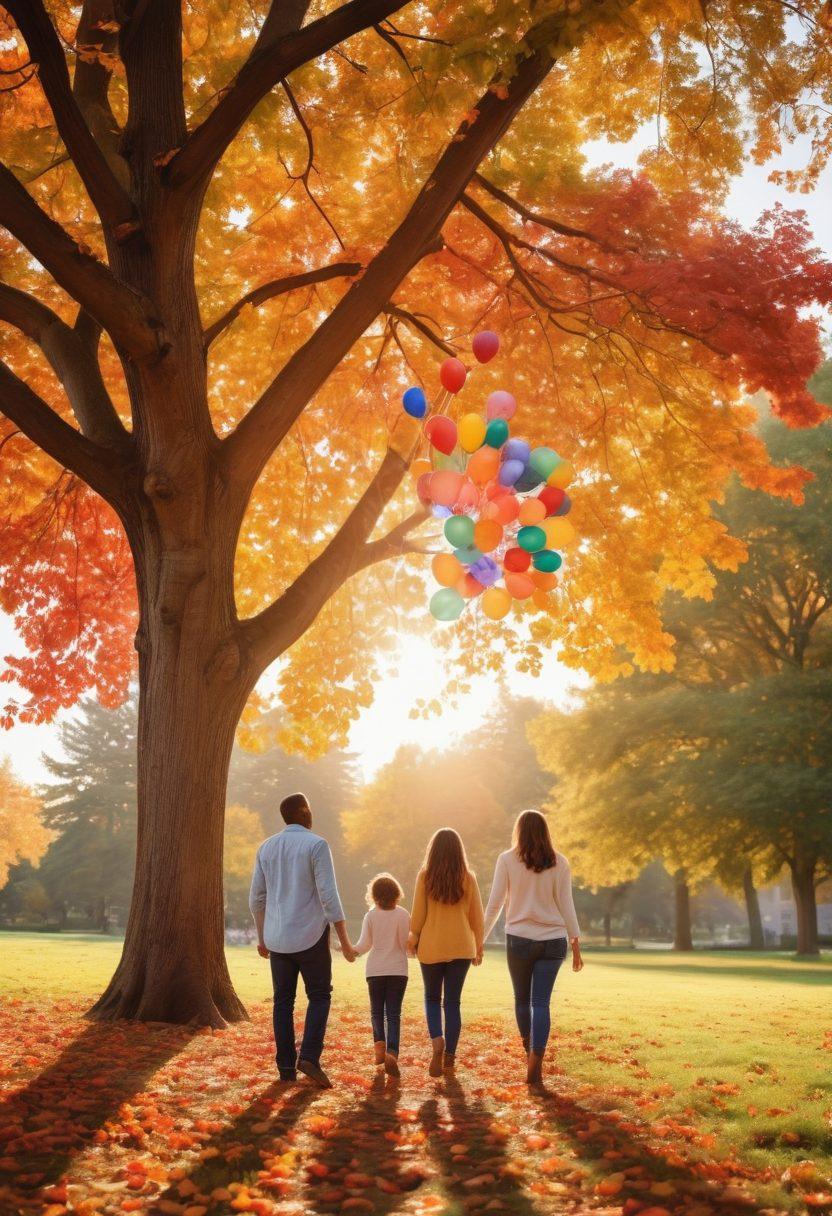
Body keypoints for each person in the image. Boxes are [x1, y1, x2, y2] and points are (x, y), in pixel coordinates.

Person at [249, 792, 356, 1088]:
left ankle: (285, 1067)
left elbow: (256, 898)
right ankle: (309, 1056)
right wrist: (345, 942)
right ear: (304, 811)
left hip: (277, 938)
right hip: (310, 936)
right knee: (319, 996)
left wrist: (262, 937)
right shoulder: (317, 845)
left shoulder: (266, 847)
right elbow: (329, 897)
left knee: (282, 1001)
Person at [483, 809, 583, 1087]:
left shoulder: (506, 860)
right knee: (541, 1003)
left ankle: (529, 1052)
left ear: (518, 830)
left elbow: (494, 904)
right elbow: (567, 904)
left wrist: (479, 940)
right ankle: (536, 1060)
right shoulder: (560, 862)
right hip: (553, 940)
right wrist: (575, 942)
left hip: (519, 939)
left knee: (521, 1000)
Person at [408, 828, 484, 1078]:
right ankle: (450, 1055)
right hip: (462, 946)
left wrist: (413, 937)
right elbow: (477, 917)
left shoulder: (425, 876)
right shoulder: (468, 877)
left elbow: (418, 914)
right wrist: (479, 945)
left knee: (432, 998)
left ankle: (437, 1042)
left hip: (432, 946)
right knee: (452, 1002)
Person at [354, 872, 410, 1078]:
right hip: (398, 971)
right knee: (393, 1015)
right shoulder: (403, 914)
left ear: (374, 894)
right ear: (396, 893)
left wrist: (351, 951)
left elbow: (364, 945)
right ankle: (392, 1053)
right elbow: (406, 944)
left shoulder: (371, 916)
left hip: (375, 971)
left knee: (376, 1012)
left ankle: (379, 1049)